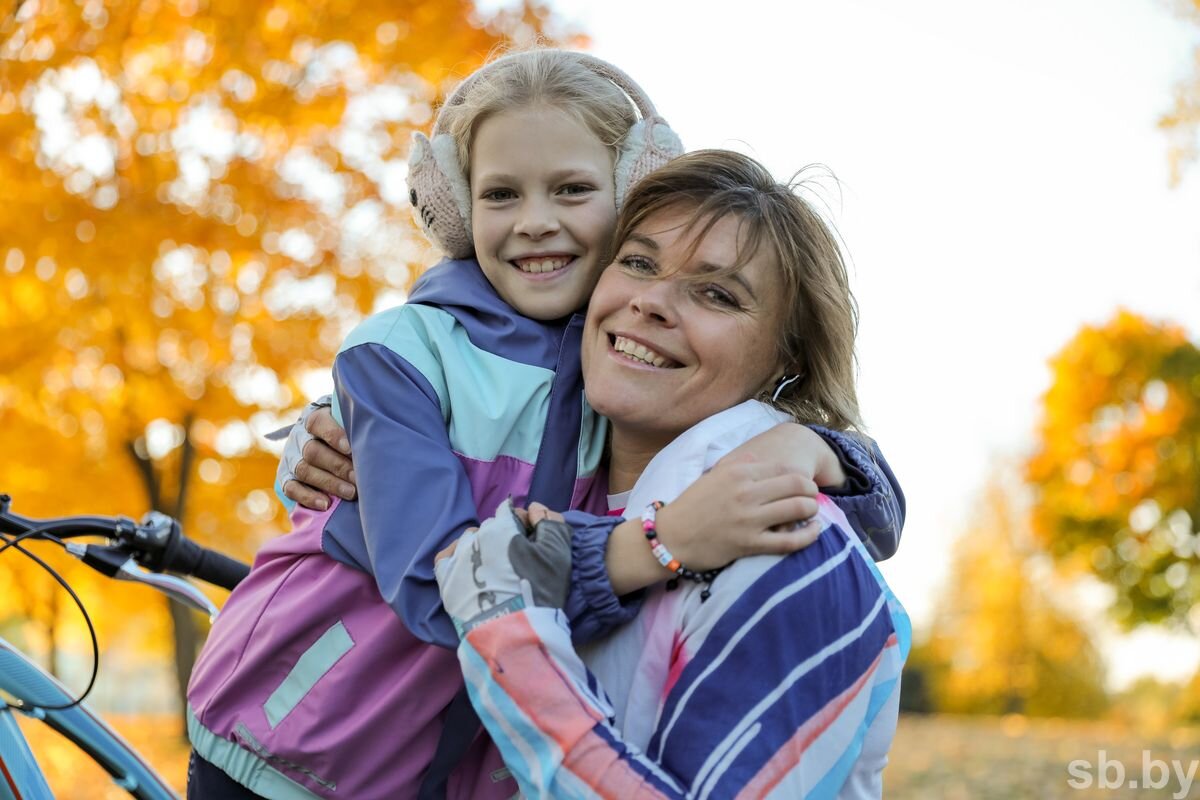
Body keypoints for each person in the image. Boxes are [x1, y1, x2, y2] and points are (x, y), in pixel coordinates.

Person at [188, 49, 903, 800]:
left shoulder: (614, 374)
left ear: (626, 195)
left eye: (571, 190)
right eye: (500, 194)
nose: (535, 223)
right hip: (284, 740)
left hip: (432, 762)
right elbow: (444, 587)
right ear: (457, 209)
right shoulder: (403, 357)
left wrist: (818, 448)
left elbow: (870, 515)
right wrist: (660, 546)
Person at [434, 149, 910, 798]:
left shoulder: (789, 546)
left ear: (785, 357)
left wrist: (512, 641)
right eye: (636, 263)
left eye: (716, 293)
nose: (652, 302)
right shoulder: (549, 487)